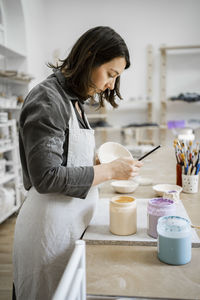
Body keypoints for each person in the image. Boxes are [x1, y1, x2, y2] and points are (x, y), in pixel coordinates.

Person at [13, 26, 143, 299]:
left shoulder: (74, 101)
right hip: (47, 230)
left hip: (68, 225)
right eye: (110, 74)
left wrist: (93, 161)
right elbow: (46, 176)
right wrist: (108, 170)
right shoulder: (48, 99)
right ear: (90, 57)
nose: (110, 85)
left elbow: (63, 158)